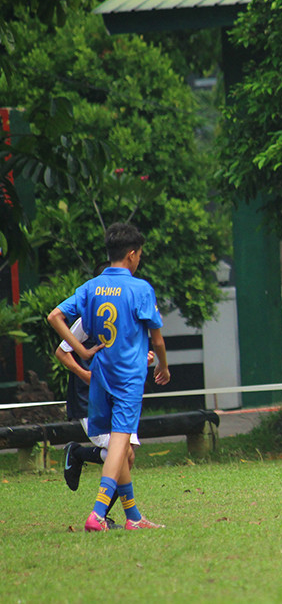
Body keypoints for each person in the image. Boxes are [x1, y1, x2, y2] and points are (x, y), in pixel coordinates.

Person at [48, 222, 171, 531]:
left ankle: (132, 517)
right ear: (131, 255)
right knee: (120, 443)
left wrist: (83, 351)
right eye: (139, 254)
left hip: (100, 375)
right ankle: (98, 513)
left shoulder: (91, 287)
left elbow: (55, 317)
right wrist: (163, 366)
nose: (139, 259)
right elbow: (157, 339)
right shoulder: (140, 288)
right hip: (127, 377)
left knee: (120, 447)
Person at [57, 301, 152, 530]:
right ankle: (111, 517)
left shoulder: (125, 319)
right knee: (123, 454)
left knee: (126, 457)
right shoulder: (89, 318)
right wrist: (85, 375)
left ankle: (103, 515)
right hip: (90, 400)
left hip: (116, 398)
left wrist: (143, 360)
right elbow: (62, 351)